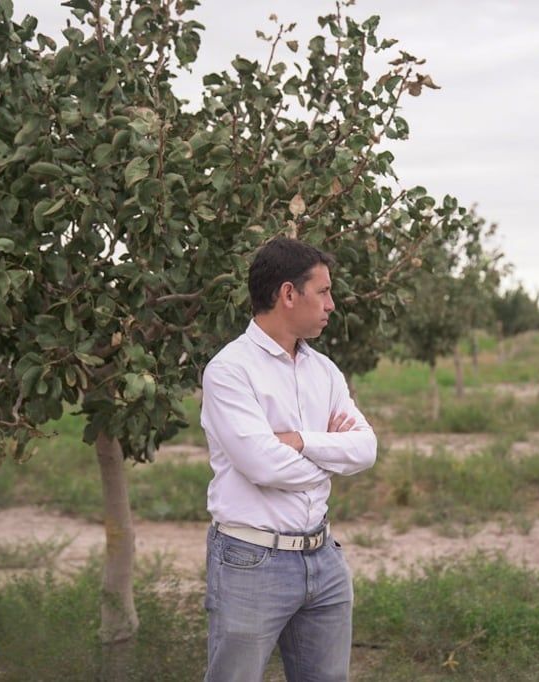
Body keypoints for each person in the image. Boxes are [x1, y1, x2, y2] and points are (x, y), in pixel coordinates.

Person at [199, 236, 377, 682]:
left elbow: (365, 448)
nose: (331, 304)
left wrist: (298, 440)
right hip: (250, 560)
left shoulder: (325, 371)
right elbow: (262, 464)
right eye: (323, 291)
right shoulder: (230, 371)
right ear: (288, 294)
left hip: (324, 557)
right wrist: (329, 457)